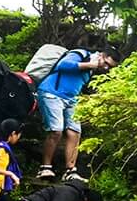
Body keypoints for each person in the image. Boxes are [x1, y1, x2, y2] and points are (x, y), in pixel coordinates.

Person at [35, 47, 118, 182]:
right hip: (51, 93)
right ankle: (45, 167)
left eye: (110, 66)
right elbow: (63, 65)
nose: (106, 68)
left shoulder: (92, 70)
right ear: (101, 55)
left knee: (75, 132)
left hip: (71, 99)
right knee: (56, 130)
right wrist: (89, 64)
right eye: (106, 63)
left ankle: (70, 170)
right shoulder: (80, 54)